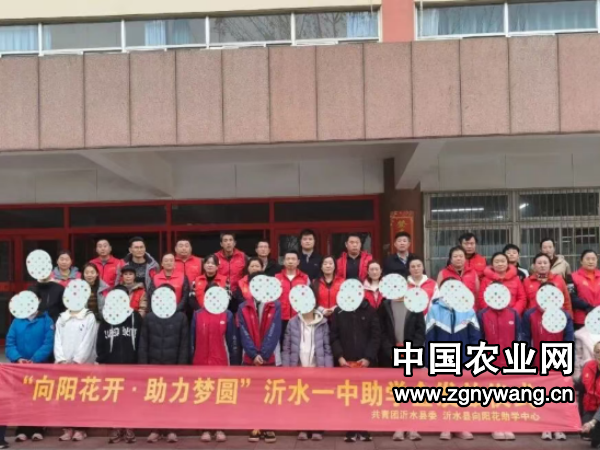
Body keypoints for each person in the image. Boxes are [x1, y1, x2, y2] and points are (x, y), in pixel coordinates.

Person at [426, 279, 480, 441]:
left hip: (464, 358)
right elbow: (429, 338)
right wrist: (429, 362)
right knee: (444, 393)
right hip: (442, 359)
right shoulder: (434, 309)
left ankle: (462, 426)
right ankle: (445, 426)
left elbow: (475, 337)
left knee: (462, 394)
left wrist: (473, 360)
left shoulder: (468, 310)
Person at [138, 284, 189, 444]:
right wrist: (143, 365)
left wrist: (181, 366)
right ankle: (155, 429)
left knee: (173, 398)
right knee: (155, 398)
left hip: (173, 365)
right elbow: (143, 343)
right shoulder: (149, 317)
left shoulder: (181, 317)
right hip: (153, 364)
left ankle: (172, 430)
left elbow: (184, 345)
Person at [378, 272, 425, 442]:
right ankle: (398, 426)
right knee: (395, 390)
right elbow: (381, 331)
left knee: (412, 390)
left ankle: (413, 427)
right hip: (392, 354)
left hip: (411, 354)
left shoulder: (414, 303)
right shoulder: (384, 305)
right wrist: (390, 351)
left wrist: (412, 350)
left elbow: (420, 330)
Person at [522, 290, 574, 441]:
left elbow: (569, 339)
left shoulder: (564, 315)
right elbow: (525, 338)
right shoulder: (530, 314)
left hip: (558, 359)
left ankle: (558, 426)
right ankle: (545, 426)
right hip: (538, 360)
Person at [237, 271, 281, 444]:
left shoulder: (275, 305)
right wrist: (253, 354)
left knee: (269, 393)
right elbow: (243, 332)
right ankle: (254, 425)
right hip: (250, 358)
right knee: (252, 394)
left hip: (268, 358)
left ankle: (269, 426)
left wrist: (264, 354)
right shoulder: (243, 307)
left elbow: (274, 330)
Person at [330, 297, 380, 443]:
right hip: (346, 362)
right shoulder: (339, 311)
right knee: (349, 397)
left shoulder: (370, 310)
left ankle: (364, 429)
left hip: (365, 363)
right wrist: (339, 356)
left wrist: (368, 357)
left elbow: (376, 336)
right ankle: (350, 429)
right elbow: (334, 336)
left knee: (365, 396)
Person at [6, 291, 54, 443]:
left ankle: (38, 429)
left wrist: (35, 359)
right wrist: (18, 358)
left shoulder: (46, 320)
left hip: (40, 367)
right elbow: (10, 343)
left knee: (39, 398)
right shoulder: (17, 321)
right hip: (20, 369)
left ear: (39, 300)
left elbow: (48, 343)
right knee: (22, 398)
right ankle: (22, 429)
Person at [96, 287, 142, 444]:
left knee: (131, 398)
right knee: (113, 398)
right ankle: (116, 427)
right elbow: (100, 342)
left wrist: (139, 360)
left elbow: (141, 340)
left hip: (132, 365)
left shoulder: (135, 317)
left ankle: (129, 427)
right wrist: (102, 359)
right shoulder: (106, 318)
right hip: (111, 366)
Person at [282, 302, 333, 442]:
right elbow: (286, 348)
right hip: (298, 368)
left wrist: (328, 370)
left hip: (318, 368)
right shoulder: (292, 322)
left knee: (318, 400)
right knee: (301, 399)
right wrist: (287, 369)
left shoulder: (323, 322)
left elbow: (327, 348)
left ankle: (317, 429)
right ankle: (302, 428)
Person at [191, 298, 240, 443]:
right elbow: (192, 341)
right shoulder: (197, 315)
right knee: (203, 395)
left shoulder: (227, 315)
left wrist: (234, 363)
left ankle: (220, 427)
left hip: (220, 361)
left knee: (220, 395)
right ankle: (205, 428)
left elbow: (232, 341)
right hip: (201, 362)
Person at [477, 286, 520, 441]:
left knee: (507, 394)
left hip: (508, 361)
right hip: (490, 362)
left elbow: (519, 337)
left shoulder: (514, 314)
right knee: (492, 394)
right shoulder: (482, 314)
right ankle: (494, 426)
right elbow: (479, 338)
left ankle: (507, 425)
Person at [54, 298, 98, 442]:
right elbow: (57, 339)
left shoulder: (89, 316)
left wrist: (78, 360)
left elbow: (88, 340)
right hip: (64, 365)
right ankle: (67, 428)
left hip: (82, 365)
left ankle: (81, 429)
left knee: (81, 396)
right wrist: (61, 359)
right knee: (64, 397)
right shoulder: (62, 317)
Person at [275, 251, 310, 341]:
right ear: (283, 261)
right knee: (282, 342)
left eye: (293, 259)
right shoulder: (276, 278)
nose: (290, 261)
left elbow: (309, 299)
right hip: (280, 317)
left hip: (299, 317)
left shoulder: (305, 278)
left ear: (298, 262)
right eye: (288, 259)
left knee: (298, 342)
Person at [571, 250, 600, 329]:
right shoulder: (573, 277)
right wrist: (589, 307)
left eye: (593, 259)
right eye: (587, 259)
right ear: (581, 261)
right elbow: (572, 298)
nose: (591, 261)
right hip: (581, 319)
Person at [582, 343, 600, 441]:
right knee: (586, 433)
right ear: (594, 354)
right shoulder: (588, 366)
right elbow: (581, 384)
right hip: (590, 407)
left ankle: (593, 422)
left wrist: (593, 421)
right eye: (598, 352)